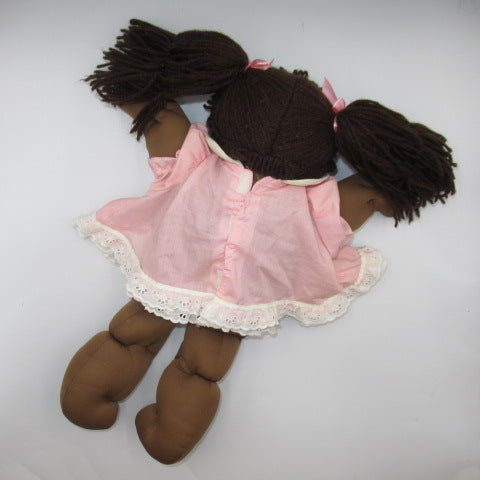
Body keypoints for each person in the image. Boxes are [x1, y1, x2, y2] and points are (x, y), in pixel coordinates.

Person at [60, 19, 456, 464]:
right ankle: (116, 412)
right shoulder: (202, 160)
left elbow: (160, 114)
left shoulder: (310, 197)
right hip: (178, 275)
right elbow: (364, 193)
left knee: (179, 358)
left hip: (238, 297)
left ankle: (150, 427)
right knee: (149, 343)